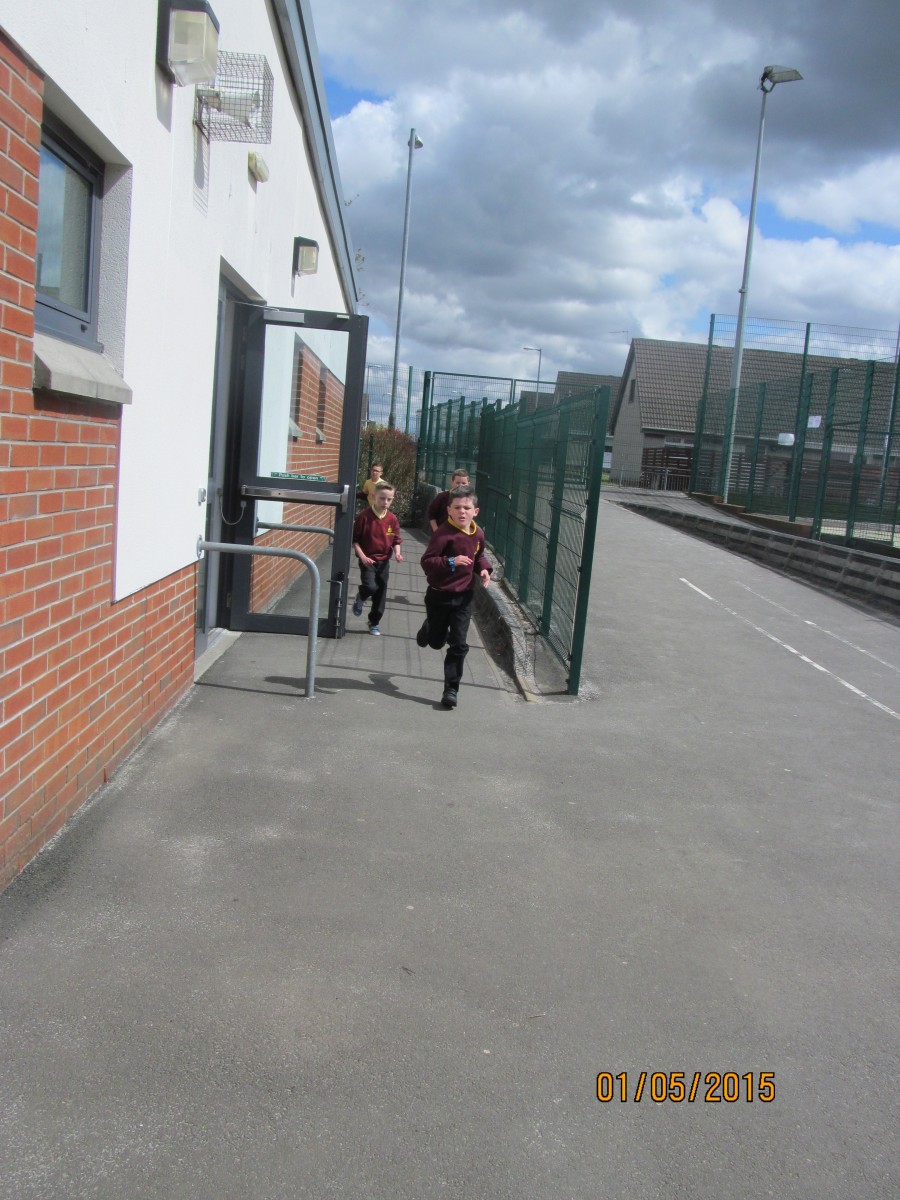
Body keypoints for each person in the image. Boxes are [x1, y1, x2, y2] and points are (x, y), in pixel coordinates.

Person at [418, 485, 492, 708]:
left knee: (459, 644)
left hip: (464, 597)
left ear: (475, 511)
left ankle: (451, 689)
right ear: (449, 510)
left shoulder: (478, 534)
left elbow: (478, 556)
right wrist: (451, 561)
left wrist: (484, 569)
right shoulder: (443, 534)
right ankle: (430, 627)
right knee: (435, 642)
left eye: (466, 508)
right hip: (439, 596)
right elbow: (427, 562)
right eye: (457, 507)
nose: (462, 512)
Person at [351, 481, 403, 635]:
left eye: (389, 499)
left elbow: (396, 540)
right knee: (370, 587)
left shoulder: (392, 519)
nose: (385, 502)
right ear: (374, 497)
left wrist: (397, 553)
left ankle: (374, 622)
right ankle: (361, 596)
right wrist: (363, 557)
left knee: (381, 592)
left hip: (383, 561)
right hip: (368, 560)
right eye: (382, 498)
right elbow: (355, 540)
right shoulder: (364, 517)